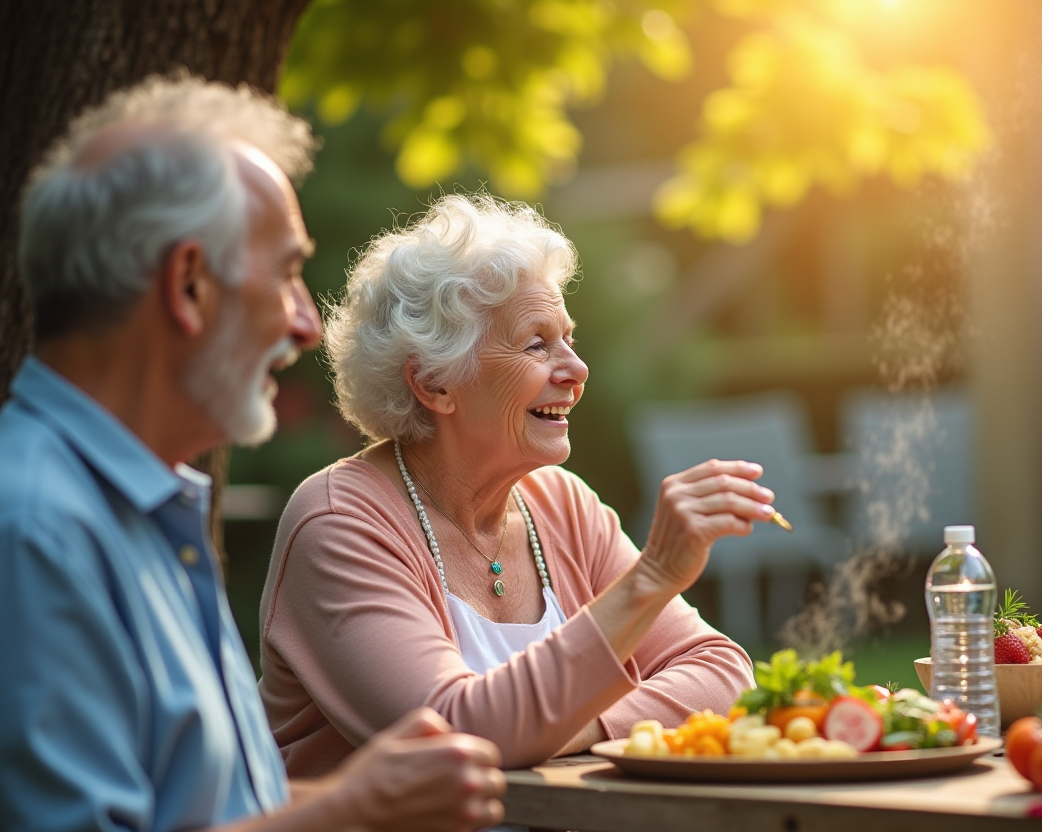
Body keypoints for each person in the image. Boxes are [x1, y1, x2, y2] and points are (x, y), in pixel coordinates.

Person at [0, 75, 504, 832]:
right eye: (287, 273)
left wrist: (361, 797)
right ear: (189, 285)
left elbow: (206, 812)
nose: (307, 323)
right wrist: (356, 809)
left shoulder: (140, 512)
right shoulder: (36, 531)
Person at [257, 194, 766, 775]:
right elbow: (463, 736)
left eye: (569, 338)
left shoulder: (563, 505)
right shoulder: (340, 523)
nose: (576, 369)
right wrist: (650, 580)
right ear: (434, 383)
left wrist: (567, 730)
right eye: (536, 343)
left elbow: (723, 672)